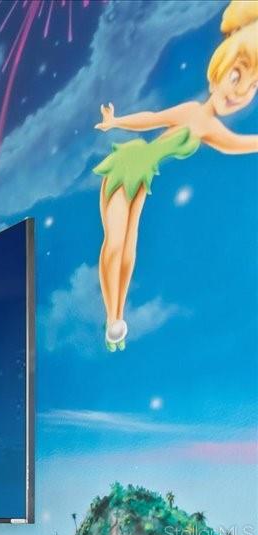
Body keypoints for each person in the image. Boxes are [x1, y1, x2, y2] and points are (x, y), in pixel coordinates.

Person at [93, 0, 258, 351]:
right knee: (116, 242)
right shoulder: (193, 111)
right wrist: (116, 122)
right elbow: (153, 119)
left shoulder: (212, 129)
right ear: (219, 69)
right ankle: (111, 316)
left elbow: (240, 144)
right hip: (128, 163)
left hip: (145, 176)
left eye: (253, 84)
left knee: (129, 247)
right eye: (237, 75)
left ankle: (117, 319)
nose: (240, 91)